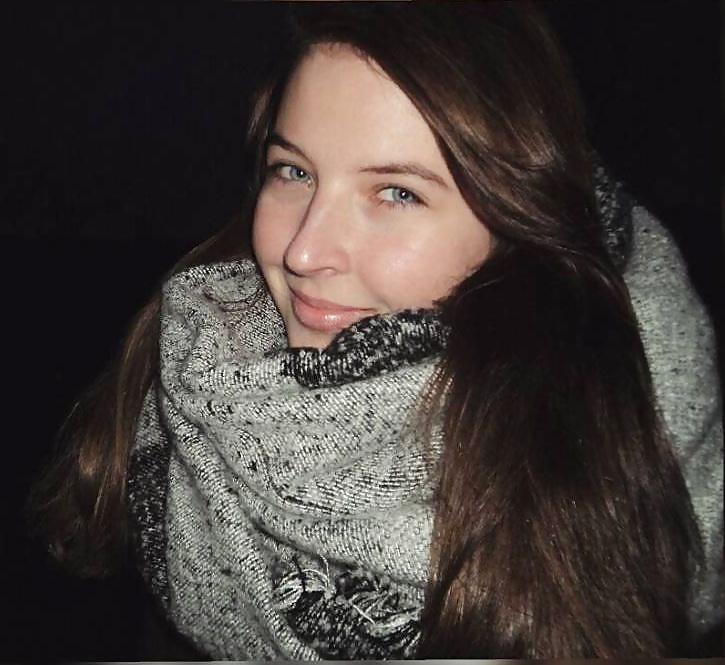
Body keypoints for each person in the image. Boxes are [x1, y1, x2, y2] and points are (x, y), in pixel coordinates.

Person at [30, 2, 722, 659]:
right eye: (293, 171)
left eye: (396, 192)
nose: (303, 252)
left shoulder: (621, 435)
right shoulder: (192, 360)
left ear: (517, 221)